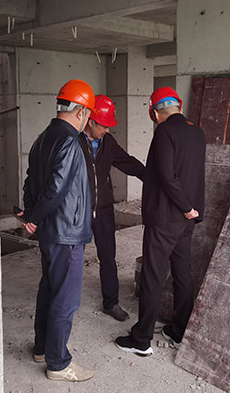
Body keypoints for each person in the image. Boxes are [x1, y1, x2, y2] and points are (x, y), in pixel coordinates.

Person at [115, 86, 206, 356]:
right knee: (182, 274)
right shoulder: (197, 131)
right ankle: (178, 332)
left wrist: (184, 206)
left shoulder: (164, 132)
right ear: (179, 105)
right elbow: (193, 175)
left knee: (152, 277)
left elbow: (166, 176)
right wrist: (191, 210)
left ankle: (141, 340)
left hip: (166, 218)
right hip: (188, 220)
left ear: (154, 113)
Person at [20, 79, 96, 382]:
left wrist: (31, 215)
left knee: (49, 290)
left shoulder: (43, 138)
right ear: (81, 112)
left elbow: (30, 182)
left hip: (51, 233)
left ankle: (42, 348)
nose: (87, 121)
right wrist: (34, 217)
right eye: (88, 115)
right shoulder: (69, 141)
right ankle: (59, 363)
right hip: (66, 233)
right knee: (66, 298)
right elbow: (56, 188)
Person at [78, 95, 145, 322]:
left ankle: (111, 303)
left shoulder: (108, 142)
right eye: (103, 125)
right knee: (71, 258)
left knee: (108, 257)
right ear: (90, 121)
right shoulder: (73, 142)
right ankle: (65, 303)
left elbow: (128, 163)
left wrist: (154, 178)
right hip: (78, 210)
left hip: (104, 209)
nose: (107, 130)